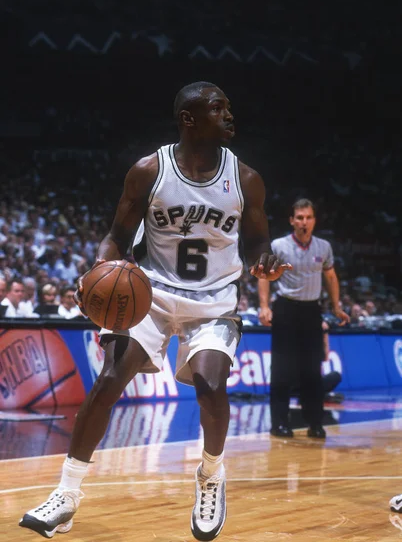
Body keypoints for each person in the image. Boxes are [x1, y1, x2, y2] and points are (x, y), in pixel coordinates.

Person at [20, 81, 291, 541]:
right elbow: (117, 237)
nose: (229, 115)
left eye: (228, 108)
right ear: (189, 119)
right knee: (107, 381)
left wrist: (264, 260)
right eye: (217, 108)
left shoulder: (246, 179)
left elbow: (259, 242)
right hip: (152, 293)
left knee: (209, 384)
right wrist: (99, 269)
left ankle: (211, 475)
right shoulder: (150, 171)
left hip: (216, 299)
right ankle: (66, 495)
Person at [258, 198, 349, 440]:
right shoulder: (278, 246)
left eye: (308, 217)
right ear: (291, 220)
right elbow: (264, 276)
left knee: (312, 370)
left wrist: (337, 307)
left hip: (312, 310)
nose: (304, 222)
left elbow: (330, 277)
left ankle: (315, 423)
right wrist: (264, 306)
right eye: (299, 217)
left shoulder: (323, 247)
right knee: (281, 369)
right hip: (286, 309)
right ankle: (279, 423)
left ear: (314, 221)